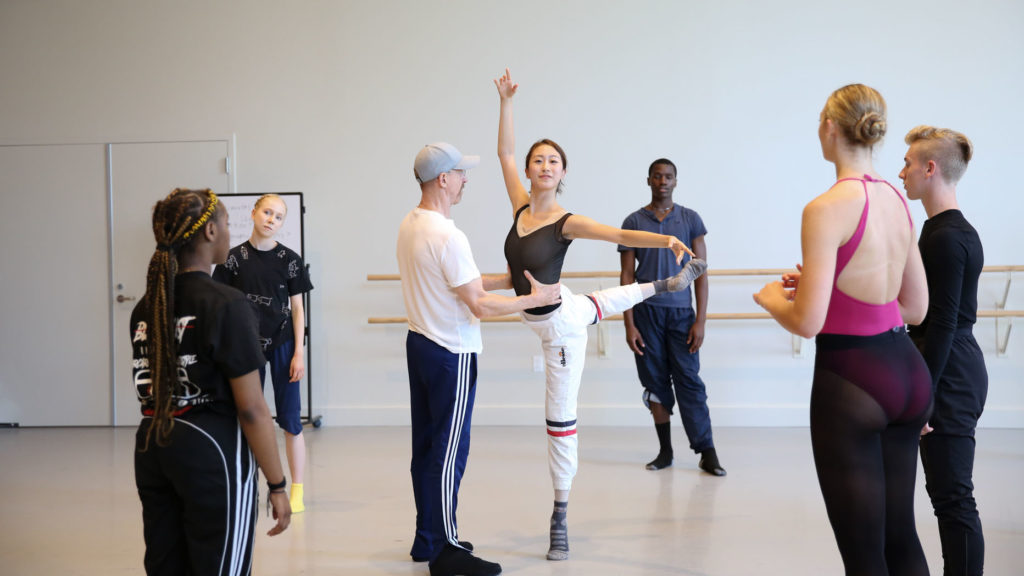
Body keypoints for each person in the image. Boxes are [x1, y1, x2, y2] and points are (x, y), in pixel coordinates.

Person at [494, 69, 707, 561]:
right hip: (563, 304)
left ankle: (560, 513)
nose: (544, 165)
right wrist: (506, 103)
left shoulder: (567, 222)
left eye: (553, 161)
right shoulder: (520, 207)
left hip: (559, 331)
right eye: (538, 159)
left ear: (562, 173)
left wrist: (668, 239)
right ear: (529, 170)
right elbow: (504, 153)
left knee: (559, 418)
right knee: (596, 303)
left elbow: (620, 235)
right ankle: (664, 285)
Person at [753, 84, 932, 575]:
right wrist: (822, 285)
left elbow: (807, 322)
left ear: (830, 127)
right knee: (901, 537)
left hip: (853, 380)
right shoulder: (896, 199)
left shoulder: (825, 207)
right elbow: (915, 307)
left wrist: (772, 299)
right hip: (908, 376)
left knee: (863, 555)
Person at [398, 142, 562, 576]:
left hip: (421, 346)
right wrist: (535, 296)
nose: (466, 179)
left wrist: (510, 276)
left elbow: (461, 283)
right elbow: (479, 305)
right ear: (443, 179)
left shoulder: (413, 224)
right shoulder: (448, 235)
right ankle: (447, 552)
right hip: (450, 353)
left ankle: (428, 538)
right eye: (461, 173)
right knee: (449, 453)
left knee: (427, 448)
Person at [132, 188, 291, 575]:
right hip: (211, 454)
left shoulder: (147, 304)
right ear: (209, 233)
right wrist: (277, 484)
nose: (228, 230)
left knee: (167, 565)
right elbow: (252, 408)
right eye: (224, 223)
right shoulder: (226, 303)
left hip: (153, 446)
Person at [901, 125, 986, 576]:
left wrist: (926, 397)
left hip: (950, 376)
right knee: (946, 498)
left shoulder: (947, 237)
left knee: (953, 500)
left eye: (909, 164)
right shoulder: (940, 231)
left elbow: (944, 323)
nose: (902, 172)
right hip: (948, 368)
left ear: (930, 168)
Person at [619, 158, 725, 475]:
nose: (663, 181)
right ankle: (665, 452)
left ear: (676, 182)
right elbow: (626, 277)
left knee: (689, 382)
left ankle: (707, 452)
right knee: (655, 381)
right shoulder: (633, 222)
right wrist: (629, 324)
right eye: (657, 176)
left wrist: (701, 320)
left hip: (681, 315)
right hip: (646, 313)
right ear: (649, 180)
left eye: (669, 176)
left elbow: (701, 274)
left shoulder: (691, 220)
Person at [213, 194, 314, 514]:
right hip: (246, 347)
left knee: (290, 421)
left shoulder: (291, 260)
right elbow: (221, 306)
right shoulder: (232, 259)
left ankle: (296, 488)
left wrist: (299, 352)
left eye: (279, 216)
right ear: (254, 213)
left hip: (284, 344)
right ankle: (246, 485)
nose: (272, 219)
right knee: (247, 417)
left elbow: (298, 310)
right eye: (267, 212)